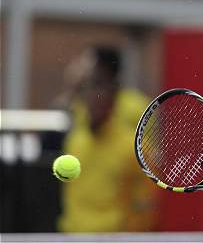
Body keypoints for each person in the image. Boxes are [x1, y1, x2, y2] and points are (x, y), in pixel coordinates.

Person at [56, 46, 157, 232]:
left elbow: (144, 197)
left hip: (115, 233)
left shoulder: (134, 119)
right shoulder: (76, 138)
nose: (95, 102)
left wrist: (131, 230)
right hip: (74, 232)